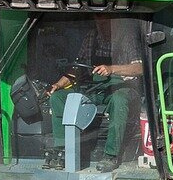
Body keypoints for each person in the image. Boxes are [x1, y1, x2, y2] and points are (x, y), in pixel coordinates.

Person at [46, 16, 144, 172]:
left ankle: (111, 155)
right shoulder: (92, 36)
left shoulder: (127, 37)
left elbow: (139, 68)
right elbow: (77, 68)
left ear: (115, 22)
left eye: (105, 22)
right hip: (94, 88)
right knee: (58, 98)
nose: (101, 26)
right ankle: (62, 150)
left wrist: (111, 69)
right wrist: (59, 84)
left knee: (119, 100)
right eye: (98, 22)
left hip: (122, 86)